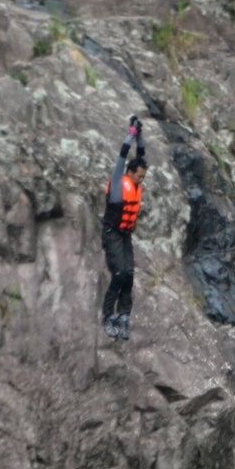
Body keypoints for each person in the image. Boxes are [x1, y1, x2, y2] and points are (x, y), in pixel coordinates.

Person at [101, 116, 147, 341]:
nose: (142, 179)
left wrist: (141, 135)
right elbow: (122, 157)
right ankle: (108, 316)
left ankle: (124, 317)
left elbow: (141, 156)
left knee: (129, 275)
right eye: (139, 175)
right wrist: (130, 135)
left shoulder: (137, 183)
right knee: (118, 274)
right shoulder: (119, 182)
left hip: (126, 235)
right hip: (112, 234)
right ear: (130, 172)